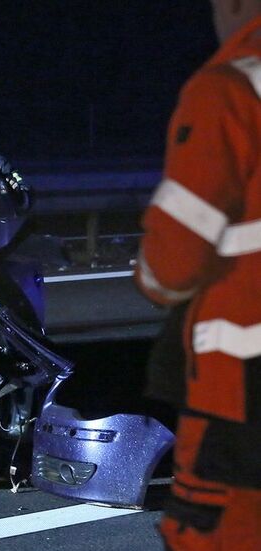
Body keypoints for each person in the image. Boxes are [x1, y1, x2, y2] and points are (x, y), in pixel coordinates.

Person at [135, 2, 261, 549]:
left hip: (242, 395)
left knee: (215, 530)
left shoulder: (231, 90)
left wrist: (149, 271)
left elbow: (173, 265)